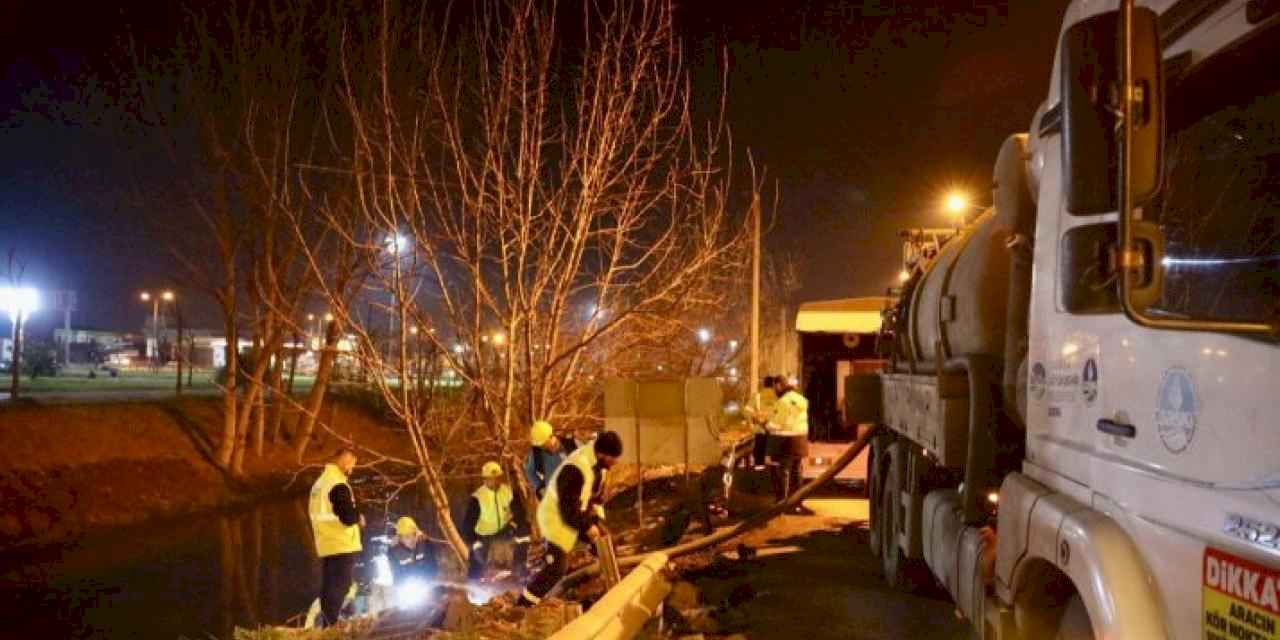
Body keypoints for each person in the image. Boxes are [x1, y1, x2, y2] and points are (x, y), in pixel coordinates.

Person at [517, 431, 623, 607]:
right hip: (555, 518)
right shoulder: (576, 468)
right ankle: (524, 605)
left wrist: (595, 518)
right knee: (556, 568)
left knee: (606, 544)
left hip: (575, 512)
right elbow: (567, 509)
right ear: (602, 454)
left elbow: (592, 496)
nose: (616, 462)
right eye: (614, 458)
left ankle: (612, 589)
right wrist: (587, 526)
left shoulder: (597, 465)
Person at [308, 448, 364, 627]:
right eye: (352, 465)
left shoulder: (319, 483)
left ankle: (327, 623)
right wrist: (359, 517)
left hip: (325, 542)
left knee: (329, 585)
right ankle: (332, 625)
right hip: (341, 543)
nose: (352, 470)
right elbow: (347, 516)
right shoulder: (337, 484)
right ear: (345, 460)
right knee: (342, 585)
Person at [462, 461, 531, 580]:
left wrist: (517, 524)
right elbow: (467, 525)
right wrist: (474, 542)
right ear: (485, 479)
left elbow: (520, 512)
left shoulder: (508, 492)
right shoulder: (477, 498)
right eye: (491, 478)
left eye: (498, 478)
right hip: (484, 535)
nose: (495, 481)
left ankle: (520, 566)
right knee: (477, 555)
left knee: (524, 529)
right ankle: (475, 583)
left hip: (504, 530)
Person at [766, 377, 810, 509]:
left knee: (783, 471)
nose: (774, 390)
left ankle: (782, 503)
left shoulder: (783, 402)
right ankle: (797, 502)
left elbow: (778, 423)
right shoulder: (802, 399)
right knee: (796, 471)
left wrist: (766, 424)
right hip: (801, 439)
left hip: (786, 441)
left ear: (779, 385)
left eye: (775, 387)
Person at [524, 420, 577, 499]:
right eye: (540, 444)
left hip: (576, 489)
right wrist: (540, 487)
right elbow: (529, 471)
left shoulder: (568, 445)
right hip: (556, 496)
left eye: (543, 443)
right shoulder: (536, 453)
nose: (542, 446)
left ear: (551, 436)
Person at [388, 516, 438, 584]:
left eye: (414, 534)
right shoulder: (394, 552)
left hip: (425, 583)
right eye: (407, 536)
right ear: (400, 538)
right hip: (407, 586)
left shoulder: (426, 544)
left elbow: (433, 566)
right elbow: (396, 574)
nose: (412, 539)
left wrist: (426, 579)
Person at [743, 375, 778, 468]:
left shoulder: (757, 396)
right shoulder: (778, 397)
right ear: (774, 385)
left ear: (763, 384)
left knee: (759, 461)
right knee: (774, 463)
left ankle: (759, 477)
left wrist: (755, 419)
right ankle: (773, 479)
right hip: (775, 433)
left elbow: (746, 411)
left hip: (760, 432)